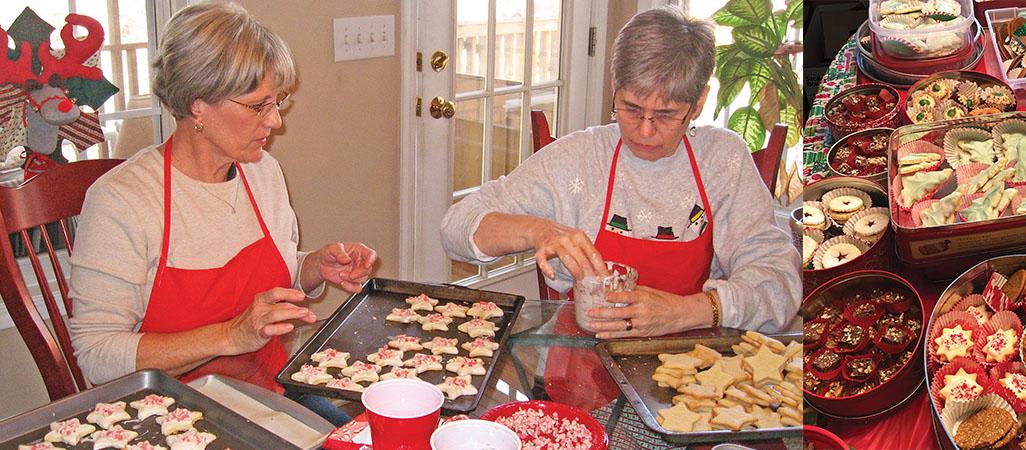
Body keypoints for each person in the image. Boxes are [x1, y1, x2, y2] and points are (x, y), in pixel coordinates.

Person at [68, 2, 375, 426]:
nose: (275, 122)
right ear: (198, 104)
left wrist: (314, 267)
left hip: (265, 394)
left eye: (277, 102)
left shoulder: (262, 171)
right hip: (165, 418)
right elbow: (97, 358)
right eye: (257, 105)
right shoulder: (124, 200)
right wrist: (231, 336)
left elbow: (272, 285)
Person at [441, 7, 799, 338]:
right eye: (631, 108)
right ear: (615, 90)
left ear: (698, 103)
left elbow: (779, 285)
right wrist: (536, 230)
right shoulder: (578, 159)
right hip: (583, 364)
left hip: (696, 366)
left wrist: (686, 311)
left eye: (666, 114)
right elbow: (455, 228)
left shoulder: (723, 159)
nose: (644, 131)